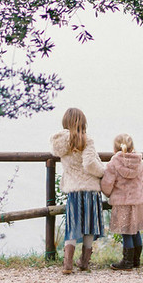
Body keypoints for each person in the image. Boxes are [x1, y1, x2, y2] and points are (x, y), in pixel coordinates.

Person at [50, 108, 105, 274]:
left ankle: (68, 263)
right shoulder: (86, 140)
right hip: (90, 188)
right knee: (89, 225)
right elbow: (89, 163)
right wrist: (102, 172)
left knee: (72, 226)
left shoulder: (59, 143)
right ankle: (84, 262)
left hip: (73, 189)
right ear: (82, 122)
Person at [101, 133, 143, 270]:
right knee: (136, 230)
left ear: (115, 149)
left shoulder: (113, 164)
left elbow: (107, 184)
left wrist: (110, 194)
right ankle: (136, 261)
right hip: (137, 201)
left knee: (126, 231)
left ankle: (127, 262)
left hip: (122, 202)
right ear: (132, 146)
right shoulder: (140, 162)